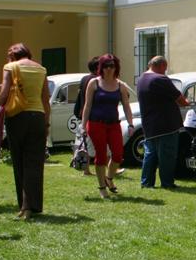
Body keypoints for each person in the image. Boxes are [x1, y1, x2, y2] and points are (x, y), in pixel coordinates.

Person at [0, 43, 51, 219]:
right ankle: (32, 205)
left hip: (17, 117)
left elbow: (4, 96)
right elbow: (45, 98)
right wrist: (46, 123)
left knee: (19, 160)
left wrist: (1, 95)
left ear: (13, 55)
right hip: (38, 117)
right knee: (34, 162)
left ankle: (24, 205)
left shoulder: (10, 67)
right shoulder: (41, 69)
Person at [81, 54, 134, 198]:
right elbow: (87, 106)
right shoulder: (94, 83)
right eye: (106, 66)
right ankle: (102, 187)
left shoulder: (120, 86)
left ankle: (109, 178)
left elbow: (127, 107)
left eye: (112, 65)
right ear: (101, 68)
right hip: (96, 124)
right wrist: (83, 125)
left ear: (116, 67)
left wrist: (130, 123)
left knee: (118, 154)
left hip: (114, 124)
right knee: (101, 156)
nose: (109, 69)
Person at [137, 56, 189, 188]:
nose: (165, 72)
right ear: (161, 66)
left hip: (149, 124)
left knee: (150, 155)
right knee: (167, 156)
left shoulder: (141, 79)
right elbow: (180, 100)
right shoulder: (161, 79)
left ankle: (146, 183)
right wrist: (186, 102)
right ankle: (167, 183)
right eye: (164, 69)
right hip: (166, 124)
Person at [73, 56, 99, 176]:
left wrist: (77, 111)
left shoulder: (84, 79)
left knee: (85, 142)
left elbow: (79, 97)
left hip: (82, 113)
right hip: (93, 115)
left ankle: (86, 169)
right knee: (94, 142)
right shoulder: (96, 80)